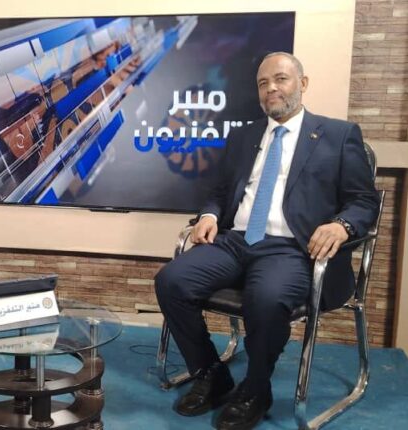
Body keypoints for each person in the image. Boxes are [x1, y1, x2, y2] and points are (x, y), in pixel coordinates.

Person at [154, 52, 379, 430]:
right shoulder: (244, 136)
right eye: (263, 83)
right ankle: (210, 373)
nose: (271, 88)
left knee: (267, 298)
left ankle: (256, 388)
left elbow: (363, 201)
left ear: (302, 84)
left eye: (281, 79)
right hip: (236, 241)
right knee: (171, 280)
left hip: (292, 248)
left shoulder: (339, 135)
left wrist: (341, 225)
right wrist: (209, 216)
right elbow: (220, 192)